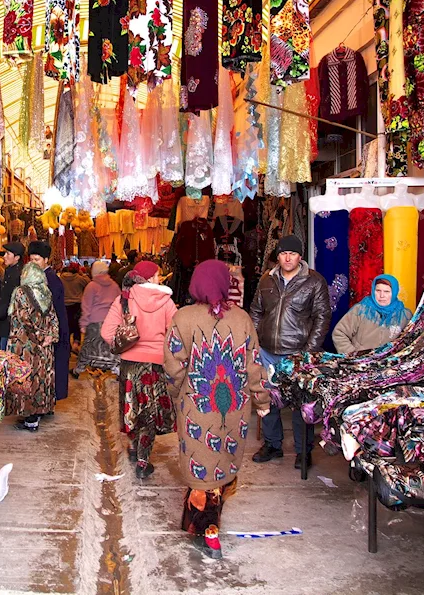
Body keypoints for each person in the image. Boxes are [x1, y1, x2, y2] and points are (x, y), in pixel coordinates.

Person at [163, 260, 272, 559]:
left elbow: (174, 365)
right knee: (222, 460)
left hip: (197, 405)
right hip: (233, 406)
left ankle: (206, 527)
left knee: (201, 460)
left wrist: (177, 395)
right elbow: (253, 364)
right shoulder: (242, 319)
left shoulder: (182, 317)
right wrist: (261, 400)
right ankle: (203, 524)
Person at [249, 235, 332, 471]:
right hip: (267, 351)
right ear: (278, 256)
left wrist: (309, 351)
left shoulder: (314, 281)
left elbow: (322, 317)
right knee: (268, 400)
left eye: (292, 254)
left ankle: (303, 451)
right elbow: (256, 310)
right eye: (284, 253)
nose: (287, 257)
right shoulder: (267, 279)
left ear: (300, 256)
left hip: (297, 352)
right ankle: (272, 445)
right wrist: (255, 341)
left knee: (300, 405)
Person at [101, 261, 177, 479]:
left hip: (130, 365)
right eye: (158, 275)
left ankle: (135, 447)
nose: (160, 279)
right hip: (155, 365)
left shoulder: (124, 299)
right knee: (150, 413)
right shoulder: (166, 301)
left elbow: (107, 333)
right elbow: (175, 334)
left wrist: (126, 343)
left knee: (133, 408)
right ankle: (143, 461)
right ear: (151, 277)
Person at [8, 263, 60, 432]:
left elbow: (24, 319)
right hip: (44, 345)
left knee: (27, 378)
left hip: (27, 345)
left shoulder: (21, 292)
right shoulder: (46, 291)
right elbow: (53, 316)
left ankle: (30, 419)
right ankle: (40, 411)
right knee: (41, 378)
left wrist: (37, 338)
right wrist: (50, 336)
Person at [28, 241, 71, 402]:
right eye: (31, 260)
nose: (33, 263)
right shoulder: (39, 278)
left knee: (49, 369)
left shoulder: (51, 280)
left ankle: (46, 401)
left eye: (37, 260)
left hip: (52, 331)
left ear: (46, 260)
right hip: (46, 330)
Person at [332, 275, 412, 354]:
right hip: (360, 363)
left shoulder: (405, 315)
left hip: (390, 363)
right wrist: (353, 355)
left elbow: (411, 341)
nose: (382, 295)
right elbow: (339, 333)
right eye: (378, 291)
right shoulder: (360, 310)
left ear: (394, 292)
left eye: (386, 292)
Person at [75, 261, 121, 374]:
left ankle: (80, 368)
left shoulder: (91, 286)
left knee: (90, 346)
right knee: (110, 346)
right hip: (111, 321)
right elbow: (120, 303)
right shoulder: (114, 285)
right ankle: (114, 367)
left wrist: (83, 323)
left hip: (94, 322)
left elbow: (86, 306)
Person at [0, 241, 25, 350]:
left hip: (9, 324)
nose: (4, 256)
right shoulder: (10, 270)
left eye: (8, 254)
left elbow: (9, 300)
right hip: (4, 323)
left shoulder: (16, 275)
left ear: (16, 257)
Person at [60, 262, 89, 349]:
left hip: (65, 304)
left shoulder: (61, 278)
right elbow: (88, 283)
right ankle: (76, 342)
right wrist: (82, 274)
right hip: (77, 304)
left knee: (67, 324)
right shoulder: (79, 278)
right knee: (76, 324)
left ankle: (67, 343)